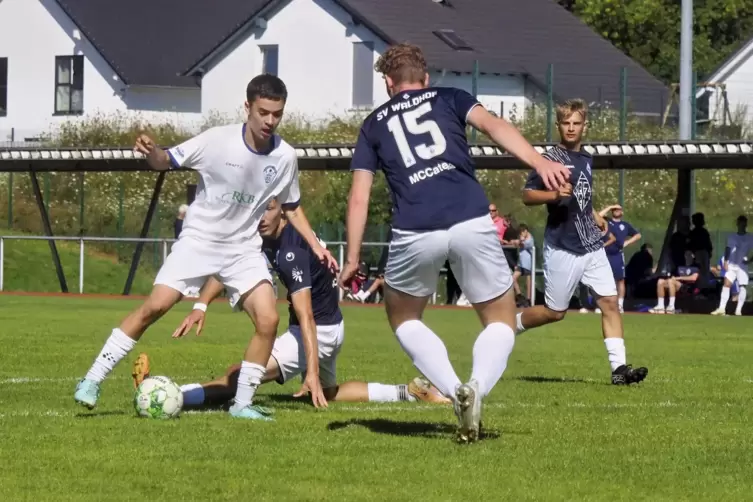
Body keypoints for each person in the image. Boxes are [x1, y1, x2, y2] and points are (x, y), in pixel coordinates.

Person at [337, 43, 570, 443]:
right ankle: (475, 388)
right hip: (470, 218)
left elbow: (359, 196)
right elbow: (495, 125)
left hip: (414, 228)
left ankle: (451, 389)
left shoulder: (374, 124)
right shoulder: (450, 97)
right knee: (500, 321)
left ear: (388, 83)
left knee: (405, 318)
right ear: (425, 79)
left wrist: (353, 256)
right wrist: (540, 161)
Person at [74, 74, 337, 420]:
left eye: (277, 114)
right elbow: (165, 161)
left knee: (269, 318)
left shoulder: (285, 156)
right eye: (264, 112)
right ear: (247, 108)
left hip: (243, 249)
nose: (270, 121)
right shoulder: (216, 141)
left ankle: (241, 405)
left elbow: (292, 206)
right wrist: (152, 152)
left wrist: (316, 245)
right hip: (199, 241)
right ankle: (92, 379)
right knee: (156, 306)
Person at [160, 198, 449, 414]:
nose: (261, 217)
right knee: (330, 393)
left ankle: (173, 395)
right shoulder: (263, 236)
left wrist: (309, 370)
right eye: (258, 209)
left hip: (317, 331)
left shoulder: (291, 252)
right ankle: (409, 392)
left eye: (269, 209)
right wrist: (201, 304)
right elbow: (227, 268)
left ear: (283, 212)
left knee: (241, 374)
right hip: (332, 326)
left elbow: (306, 315)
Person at [515, 98, 648, 386]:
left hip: (591, 245)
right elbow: (527, 195)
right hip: (564, 246)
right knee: (555, 312)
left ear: (584, 126)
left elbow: (581, 196)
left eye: (577, 123)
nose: (571, 128)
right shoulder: (550, 159)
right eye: (566, 123)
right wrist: (552, 195)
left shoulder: (587, 159)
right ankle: (509, 326)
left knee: (610, 302)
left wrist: (594, 215)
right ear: (559, 125)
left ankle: (619, 370)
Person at [598, 204, 641, 313]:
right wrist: (609, 207)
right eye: (615, 209)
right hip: (605, 254)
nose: (617, 211)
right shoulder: (607, 221)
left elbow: (637, 235)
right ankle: (603, 304)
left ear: (622, 212)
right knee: (603, 279)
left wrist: (627, 242)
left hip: (617, 255)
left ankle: (620, 305)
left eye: (619, 209)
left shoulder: (625, 225)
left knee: (620, 280)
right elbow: (597, 215)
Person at [711, 215, 753, 316]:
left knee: (742, 286)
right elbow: (728, 249)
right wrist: (726, 261)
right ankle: (722, 308)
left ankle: (738, 310)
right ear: (737, 224)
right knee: (727, 284)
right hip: (732, 264)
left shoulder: (750, 237)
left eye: (744, 223)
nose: (742, 225)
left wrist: (750, 260)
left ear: (745, 224)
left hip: (742, 266)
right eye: (740, 223)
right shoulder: (732, 236)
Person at [512, 224, 534, 307]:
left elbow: (522, 244)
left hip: (528, 263)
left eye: (521, 233)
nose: (521, 235)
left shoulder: (530, 240)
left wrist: (518, 241)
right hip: (521, 263)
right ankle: (520, 296)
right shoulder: (524, 239)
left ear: (525, 231)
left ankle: (528, 299)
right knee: (512, 279)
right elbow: (517, 243)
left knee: (528, 281)